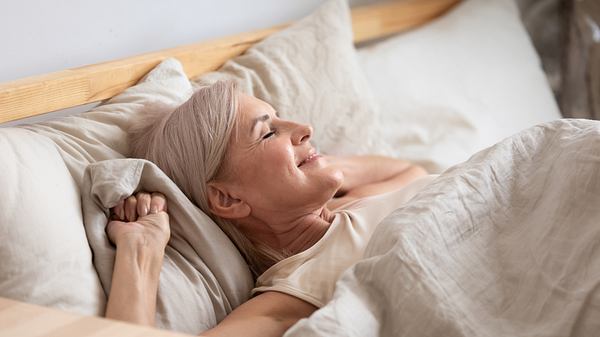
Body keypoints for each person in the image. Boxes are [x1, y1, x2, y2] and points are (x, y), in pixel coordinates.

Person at [104, 81, 432, 336]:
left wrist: (320, 164)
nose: (305, 128)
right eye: (269, 132)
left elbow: (411, 173)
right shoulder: (296, 292)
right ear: (229, 199)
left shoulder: (352, 204)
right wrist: (140, 250)